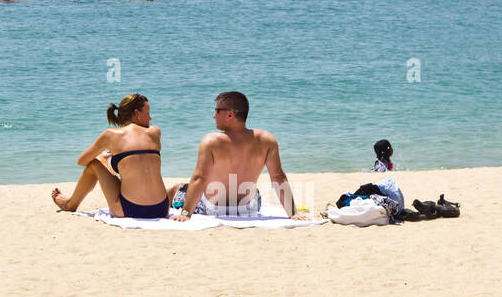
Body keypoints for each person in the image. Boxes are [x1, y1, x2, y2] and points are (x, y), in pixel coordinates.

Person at [173, 91, 309, 220]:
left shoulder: (211, 141)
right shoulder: (267, 139)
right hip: (249, 208)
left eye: (217, 111)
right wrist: (293, 213)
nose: (214, 116)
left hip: (213, 209)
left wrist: (186, 214)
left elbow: (199, 178)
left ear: (230, 115)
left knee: (178, 188)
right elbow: (278, 177)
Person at [51, 94, 181, 219]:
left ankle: (70, 204)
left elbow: (82, 161)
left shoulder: (110, 135)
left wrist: (104, 156)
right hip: (161, 209)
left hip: (131, 209)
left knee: (95, 164)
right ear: (136, 113)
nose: (150, 118)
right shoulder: (155, 132)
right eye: (147, 113)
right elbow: (138, 158)